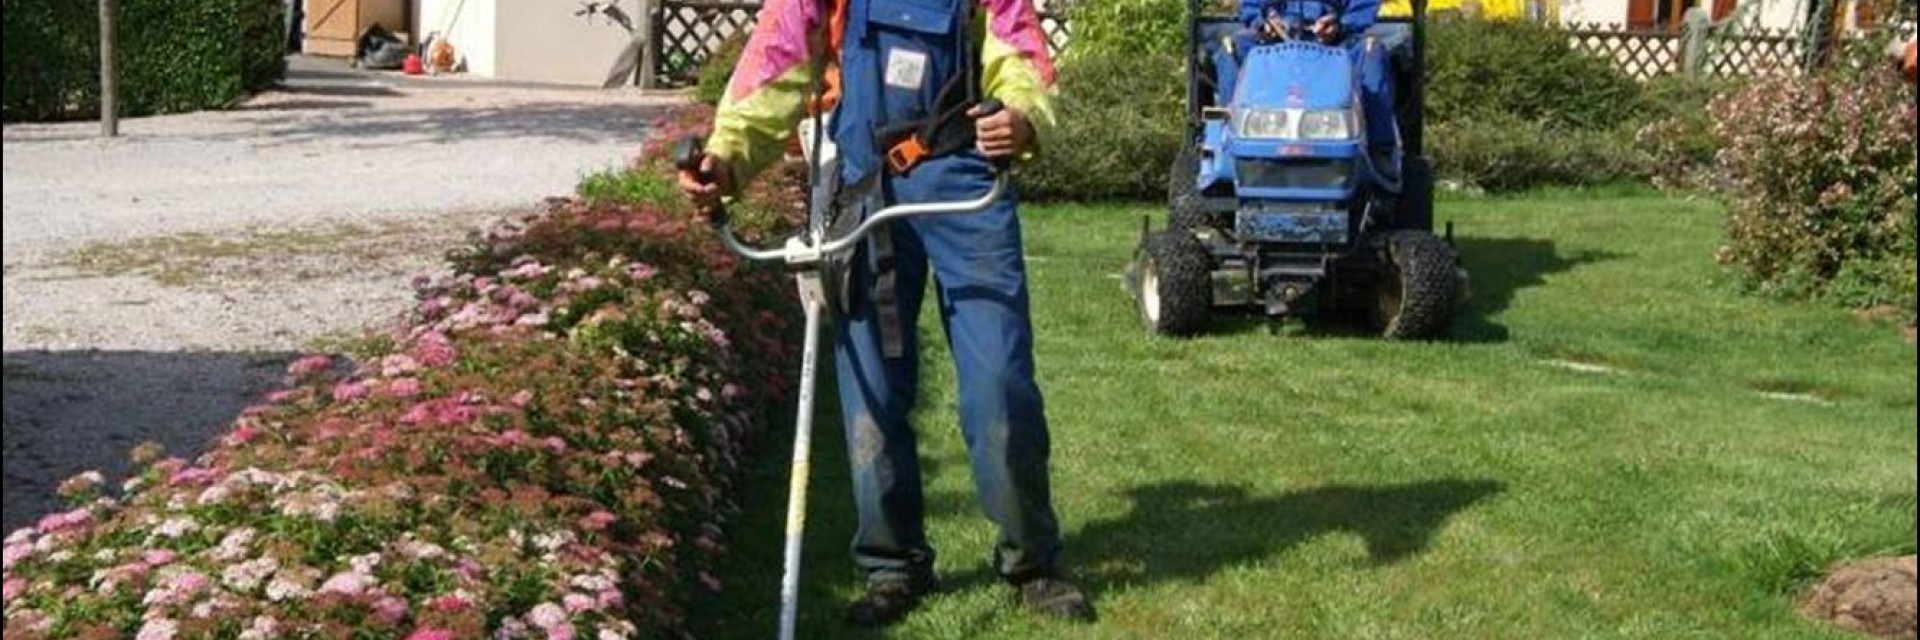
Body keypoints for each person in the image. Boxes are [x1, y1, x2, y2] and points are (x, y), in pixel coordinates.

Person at [678, 0, 1095, 628]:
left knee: (999, 385)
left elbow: (1021, 55)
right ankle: (892, 563)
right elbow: (777, 58)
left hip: (965, 186)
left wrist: (1021, 119)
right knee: (870, 391)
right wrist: (726, 158)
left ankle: (1031, 561)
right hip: (863, 185)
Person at [1206, 0, 1401, 178]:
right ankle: (1230, 142)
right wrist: (1262, 22)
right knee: (1230, 47)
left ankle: (1380, 148)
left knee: (1372, 50)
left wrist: (1340, 24)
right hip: (1273, 42)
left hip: (1337, 42)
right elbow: (1251, 6)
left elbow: (1363, 8)